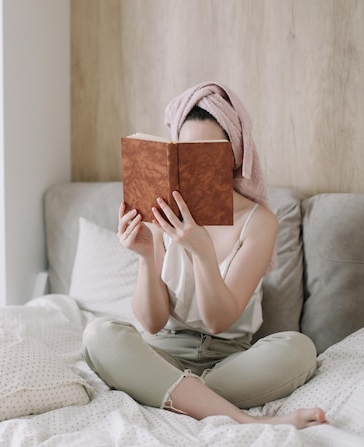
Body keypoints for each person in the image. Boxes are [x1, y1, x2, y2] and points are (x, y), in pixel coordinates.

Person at [82, 82, 328, 428]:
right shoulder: (161, 210)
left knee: (300, 349)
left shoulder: (259, 223)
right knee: (98, 335)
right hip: (163, 353)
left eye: (207, 154)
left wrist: (202, 252)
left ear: (234, 156)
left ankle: (172, 394)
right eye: (185, 153)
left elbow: (218, 321)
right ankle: (242, 419)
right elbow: (152, 323)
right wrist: (145, 257)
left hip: (229, 362)